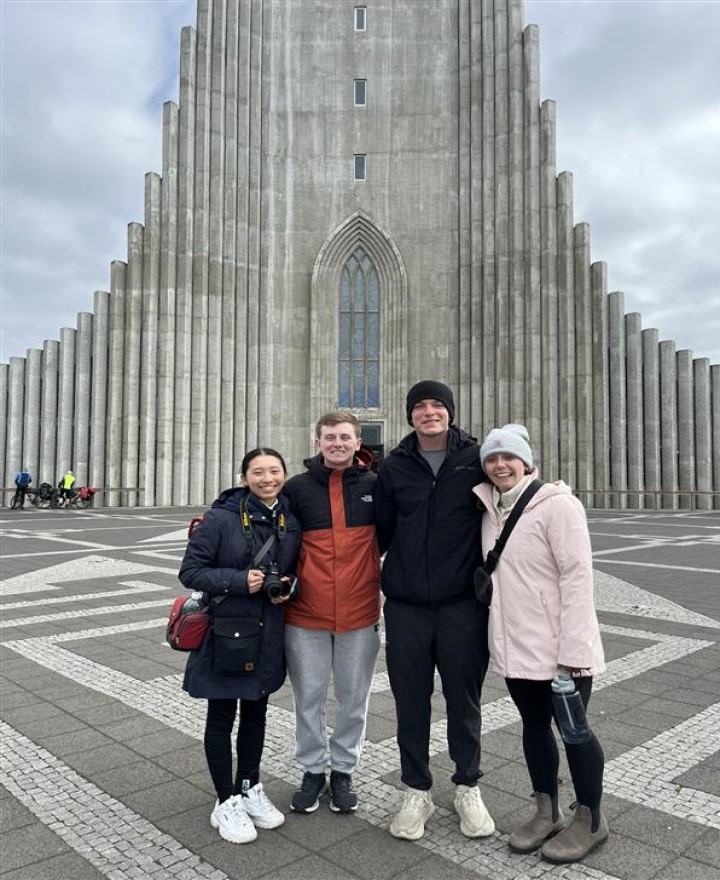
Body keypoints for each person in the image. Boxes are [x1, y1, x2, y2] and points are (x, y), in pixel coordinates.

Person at [474, 424, 608, 863]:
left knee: (574, 732)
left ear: (527, 461)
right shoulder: (489, 509)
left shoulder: (558, 505)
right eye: (492, 459)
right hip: (517, 649)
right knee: (534, 729)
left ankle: (591, 820)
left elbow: (577, 579)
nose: (499, 465)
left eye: (508, 457)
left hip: (559, 652)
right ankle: (545, 810)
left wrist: (572, 654)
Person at [374, 380, 494, 841]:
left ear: (449, 412)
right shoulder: (395, 466)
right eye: (420, 406)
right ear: (410, 416)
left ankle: (467, 785)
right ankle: (416, 789)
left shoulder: (475, 458)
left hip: (462, 605)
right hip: (406, 607)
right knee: (410, 701)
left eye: (437, 405)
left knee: (464, 702)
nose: (429, 412)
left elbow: (508, 495)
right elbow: (380, 532)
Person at [179, 448, 301, 844]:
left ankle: (249, 786)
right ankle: (225, 800)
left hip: (268, 632)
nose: (268, 478)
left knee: (256, 715)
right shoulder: (220, 518)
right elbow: (190, 571)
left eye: (274, 471)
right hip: (228, 633)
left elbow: (295, 569)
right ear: (245, 476)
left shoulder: (290, 518)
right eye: (258, 472)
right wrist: (237, 580)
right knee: (220, 719)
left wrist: (288, 587)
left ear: (284, 474)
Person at [283, 411, 381, 814]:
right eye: (329, 437)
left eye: (345, 437)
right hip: (305, 613)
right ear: (317, 441)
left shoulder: (378, 486)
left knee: (353, 698)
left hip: (360, 612)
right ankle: (312, 770)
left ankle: (342, 770)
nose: (337, 443)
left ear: (359, 443)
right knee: (308, 698)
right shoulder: (296, 489)